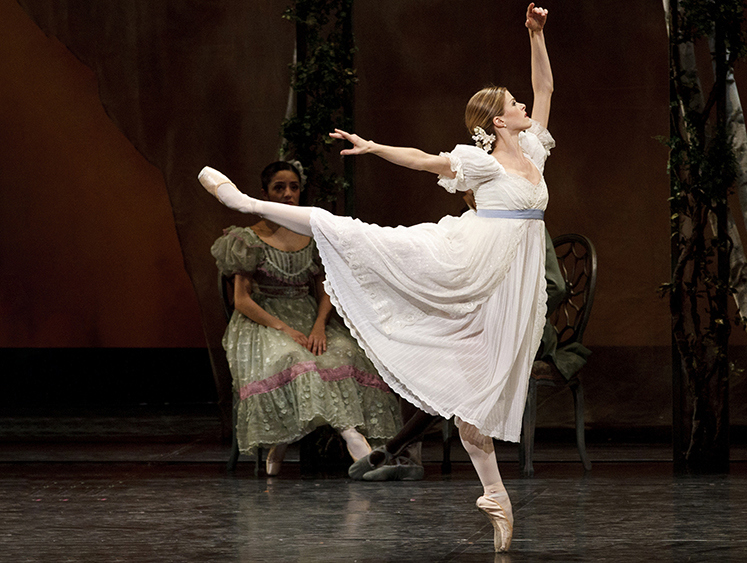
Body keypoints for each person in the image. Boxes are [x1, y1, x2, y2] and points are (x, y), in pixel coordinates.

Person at [199, 4, 553, 552]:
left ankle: (496, 498)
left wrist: (535, 35)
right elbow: (422, 160)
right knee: (361, 236)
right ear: (497, 122)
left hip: (513, 279)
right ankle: (245, 200)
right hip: (470, 260)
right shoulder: (481, 163)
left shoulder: (532, 147)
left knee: (480, 393)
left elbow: (546, 86)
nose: (524, 104)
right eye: (514, 104)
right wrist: (374, 148)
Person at [211, 161, 402, 476]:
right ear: (264, 194)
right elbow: (241, 300)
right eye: (279, 188)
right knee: (293, 358)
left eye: (294, 187)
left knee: (346, 353)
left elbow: (325, 287)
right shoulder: (247, 238)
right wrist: (283, 327)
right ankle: (353, 440)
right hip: (264, 321)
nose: (288, 194)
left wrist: (319, 326)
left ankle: (297, 440)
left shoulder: (313, 234)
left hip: (308, 315)